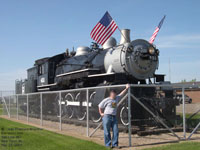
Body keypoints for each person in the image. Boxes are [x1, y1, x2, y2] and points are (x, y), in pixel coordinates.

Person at [98, 84, 130, 148]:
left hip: (114, 117)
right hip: (107, 117)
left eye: (115, 94)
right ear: (111, 94)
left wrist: (126, 88)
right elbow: (99, 106)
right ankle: (108, 145)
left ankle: (115, 144)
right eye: (113, 94)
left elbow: (121, 94)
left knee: (116, 131)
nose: (114, 95)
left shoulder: (117, 98)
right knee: (107, 132)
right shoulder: (106, 100)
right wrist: (101, 113)